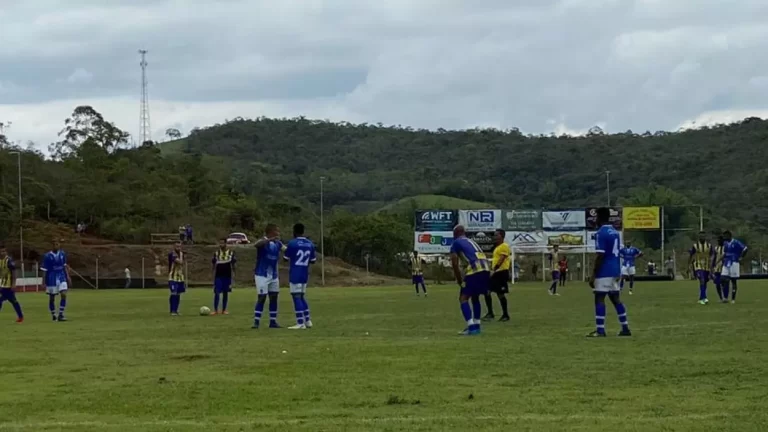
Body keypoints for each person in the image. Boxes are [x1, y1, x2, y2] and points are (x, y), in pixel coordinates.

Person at [588, 207, 631, 337]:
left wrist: (594, 274)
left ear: (599, 218)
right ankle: (625, 328)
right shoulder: (614, 231)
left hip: (605, 270)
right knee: (616, 299)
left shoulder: (601, 233)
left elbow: (600, 255)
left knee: (599, 298)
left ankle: (600, 330)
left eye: (596, 217)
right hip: (616, 269)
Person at [450, 225, 490, 336]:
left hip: (475, 269)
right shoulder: (470, 241)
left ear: (455, 234)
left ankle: (471, 327)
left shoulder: (456, 243)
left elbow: (454, 263)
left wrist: (459, 280)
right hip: (486, 267)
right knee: (475, 296)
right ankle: (477, 325)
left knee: (463, 298)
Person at [283, 223, 317, 330]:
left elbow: (285, 258)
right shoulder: (310, 243)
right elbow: (313, 261)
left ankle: (300, 322)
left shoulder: (292, 243)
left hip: (295, 273)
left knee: (296, 296)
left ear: (294, 231)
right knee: (302, 296)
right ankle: (307, 320)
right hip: (304, 273)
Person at [252, 224, 285, 329]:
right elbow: (256, 244)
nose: (279, 233)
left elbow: (286, 249)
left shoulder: (277, 243)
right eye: (277, 231)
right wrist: (269, 239)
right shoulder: (263, 241)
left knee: (274, 297)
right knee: (262, 297)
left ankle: (273, 321)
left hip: (274, 275)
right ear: (271, 232)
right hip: (262, 274)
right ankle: (256, 322)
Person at [483, 229, 510, 322]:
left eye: (496, 235)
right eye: (494, 235)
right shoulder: (497, 248)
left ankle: (505, 315)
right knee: (487, 291)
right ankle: (490, 313)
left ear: (502, 236)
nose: (494, 237)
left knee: (500, 294)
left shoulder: (504, 246)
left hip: (501, 272)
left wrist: (494, 270)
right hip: (496, 273)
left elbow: (502, 259)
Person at [41, 239, 72, 322]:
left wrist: (68, 277)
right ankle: (54, 314)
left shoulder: (62, 254)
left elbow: (64, 266)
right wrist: (43, 282)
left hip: (61, 276)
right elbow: (44, 270)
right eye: (54, 244)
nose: (56, 246)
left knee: (64, 294)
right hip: (51, 278)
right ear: (52, 246)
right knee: (52, 298)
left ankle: (61, 314)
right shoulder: (47, 256)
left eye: (57, 244)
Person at [721, 230, 747, 303]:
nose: (724, 237)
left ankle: (733, 299)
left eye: (725, 236)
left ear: (729, 236)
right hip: (726, 262)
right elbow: (725, 253)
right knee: (723, 278)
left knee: (733, 281)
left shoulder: (736, 242)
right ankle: (725, 297)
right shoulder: (725, 243)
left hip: (734, 262)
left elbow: (745, 249)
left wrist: (741, 257)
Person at [211, 238, 236, 315]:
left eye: (222, 243)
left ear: (225, 244)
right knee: (217, 292)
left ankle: (224, 310)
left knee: (225, 292)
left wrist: (234, 273)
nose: (221, 245)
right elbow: (214, 264)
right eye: (220, 243)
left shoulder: (231, 253)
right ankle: (215, 310)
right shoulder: (216, 253)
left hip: (227, 275)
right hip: (218, 276)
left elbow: (233, 264)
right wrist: (212, 273)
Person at [0, 245, 23, 323]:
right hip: (2, 284)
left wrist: (13, 283)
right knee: (12, 300)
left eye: (4, 251)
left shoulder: (8, 260)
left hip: (9, 285)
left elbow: (14, 272)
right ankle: (20, 316)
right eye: (1, 251)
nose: (3, 253)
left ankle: (20, 316)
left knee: (11, 300)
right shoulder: (0, 260)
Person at [689, 231, 713, 305]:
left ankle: (700, 298)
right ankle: (704, 298)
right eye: (700, 236)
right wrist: (689, 266)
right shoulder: (695, 246)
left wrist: (712, 266)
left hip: (706, 266)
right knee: (702, 280)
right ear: (698, 237)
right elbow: (691, 256)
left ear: (705, 237)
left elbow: (712, 255)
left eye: (703, 236)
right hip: (698, 265)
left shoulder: (709, 246)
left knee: (704, 282)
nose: (702, 237)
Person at [168, 242, 185, 315]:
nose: (178, 248)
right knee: (173, 293)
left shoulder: (181, 254)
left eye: (179, 246)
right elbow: (179, 262)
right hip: (172, 277)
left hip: (180, 278)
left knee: (178, 294)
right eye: (177, 246)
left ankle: (176, 310)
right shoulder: (172, 254)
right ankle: (173, 310)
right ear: (174, 247)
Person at [712, 236, 726, 302]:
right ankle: (721, 298)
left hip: (724, 268)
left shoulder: (726, 248)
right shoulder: (716, 248)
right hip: (717, 268)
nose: (718, 242)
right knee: (717, 283)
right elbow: (714, 257)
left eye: (720, 240)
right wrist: (712, 266)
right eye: (718, 241)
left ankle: (725, 297)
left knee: (724, 283)